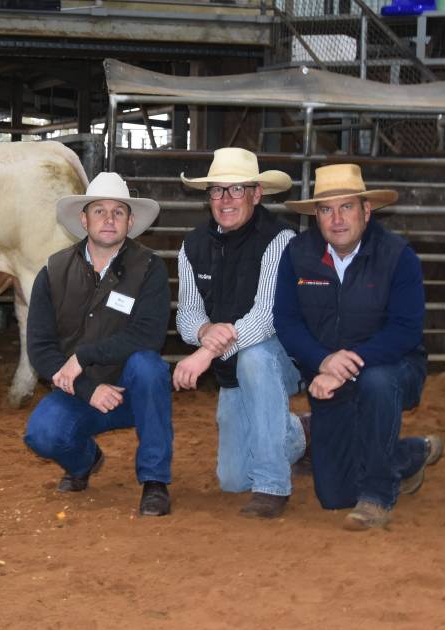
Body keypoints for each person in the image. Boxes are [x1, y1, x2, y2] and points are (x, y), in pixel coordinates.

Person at [274, 163, 444, 531]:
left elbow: (405, 330)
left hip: (392, 368)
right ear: (315, 215)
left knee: (377, 382)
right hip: (328, 373)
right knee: (334, 495)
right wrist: (323, 361)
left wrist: (347, 364)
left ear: (366, 211)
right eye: (325, 209)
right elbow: (286, 321)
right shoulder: (297, 255)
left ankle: (378, 498)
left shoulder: (397, 256)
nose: (336, 219)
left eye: (346, 207)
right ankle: (411, 454)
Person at [23, 172, 174, 517]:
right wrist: (87, 387)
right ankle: (83, 462)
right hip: (83, 392)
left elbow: (148, 335)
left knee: (149, 367)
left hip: (134, 391)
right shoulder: (53, 271)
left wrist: (82, 357)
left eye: (118, 212)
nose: (109, 219)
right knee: (42, 435)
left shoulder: (149, 268)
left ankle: (154, 481)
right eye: (99, 211)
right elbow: (41, 348)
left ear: (130, 221)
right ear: (83, 219)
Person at [173, 147, 310, 519]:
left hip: (280, 358)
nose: (225, 199)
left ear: (256, 194)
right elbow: (186, 315)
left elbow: (265, 317)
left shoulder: (280, 239)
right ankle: (301, 433)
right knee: (233, 479)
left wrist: (205, 352)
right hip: (230, 364)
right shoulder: (191, 247)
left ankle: (272, 486)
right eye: (217, 190)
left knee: (255, 356)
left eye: (236, 190)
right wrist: (204, 330)